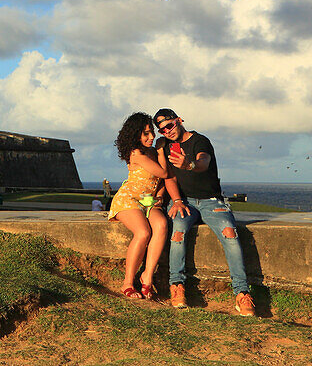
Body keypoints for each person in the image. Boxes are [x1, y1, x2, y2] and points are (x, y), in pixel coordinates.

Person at [154, 108, 255, 316]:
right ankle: (177, 286)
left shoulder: (200, 141)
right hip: (186, 203)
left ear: (179, 120)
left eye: (170, 125)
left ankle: (242, 293)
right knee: (177, 233)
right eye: (162, 130)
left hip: (211, 201)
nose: (168, 131)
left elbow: (203, 162)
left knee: (230, 234)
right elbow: (170, 177)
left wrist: (188, 164)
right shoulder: (168, 147)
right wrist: (177, 200)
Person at [108, 112, 171, 300]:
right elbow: (164, 173)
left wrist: (159, 198)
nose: (152, 137)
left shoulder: (150, 151)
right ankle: (127, 282)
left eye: (152, 132)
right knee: (143, 232)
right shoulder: (137, 153)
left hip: (148, 201)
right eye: (146, 133)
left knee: (161, 225)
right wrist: (161, 151)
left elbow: (160, 182)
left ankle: (147, 277)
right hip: (128, 199)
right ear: (135, 135)